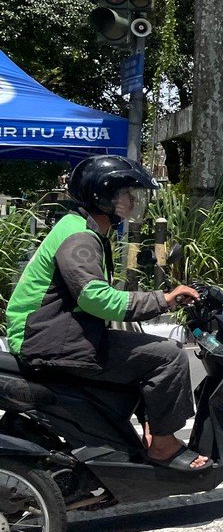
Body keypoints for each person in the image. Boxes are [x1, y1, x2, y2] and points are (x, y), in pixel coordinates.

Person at [4, 156, 209, 470]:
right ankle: (163, 447)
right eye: (126, 194)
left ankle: (148, 434)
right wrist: (163, 300)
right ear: (102, 196)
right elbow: (94, 297)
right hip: (47, 340)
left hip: (52, 332)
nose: (133, 201)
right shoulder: (80, 237)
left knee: (143, 355)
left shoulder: (82, 228)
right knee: (169, 356)